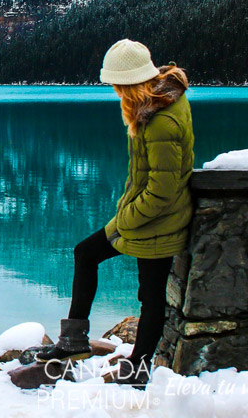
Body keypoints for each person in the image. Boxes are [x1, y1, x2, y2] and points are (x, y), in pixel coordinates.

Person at [35, 39, 194, 386]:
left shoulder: (161, 121)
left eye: (117, 86)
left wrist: (125, 219)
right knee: (85, 252)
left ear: (131, 82)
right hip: (142, 217)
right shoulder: (155, 104)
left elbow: (162, 191)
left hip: (159, 222)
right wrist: (126, 214)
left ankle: (139, 367)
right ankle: (74, 338)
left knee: (151, 297)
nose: (115, 92)